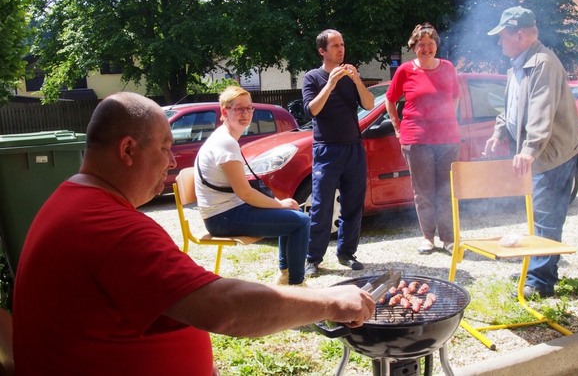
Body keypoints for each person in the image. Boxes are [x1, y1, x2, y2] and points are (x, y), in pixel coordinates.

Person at [12, 92, 376, 375]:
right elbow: (225, 308)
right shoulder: (111, 228)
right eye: (166, 148)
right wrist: (330, 301)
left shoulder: (72, 198)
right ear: (127, 150)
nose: (172, 162)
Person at [483, 6, 578, 299]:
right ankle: (540, 269)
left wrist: (529, 149)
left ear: (521, 34)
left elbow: (541, 111)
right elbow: (511, 107)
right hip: (540, 155)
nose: (499, 42)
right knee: (537, 214)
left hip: (552, 155)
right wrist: (499, 131)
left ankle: (541, 282)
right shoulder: (518, 65)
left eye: (503, 36)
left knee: (546, 217)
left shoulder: (542, 63)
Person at [195, 86, 309, 286]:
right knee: (301, 222)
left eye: (249, 108)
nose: (246, 114)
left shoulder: (225, 138)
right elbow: (245, 193)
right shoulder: (226, 144)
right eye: (239, 109)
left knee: (293, 217)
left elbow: (246, 190)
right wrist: (280, 205)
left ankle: (286, 277)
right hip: (223, 218)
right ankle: (296, 285)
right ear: (224, 112)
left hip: (225, 213)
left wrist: (278, 202)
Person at [301, 29, 375, 277]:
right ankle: (313, 258)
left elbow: (368, 104)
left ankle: (347, 253)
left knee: (353, 204)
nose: (341, 49)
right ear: (322, 51)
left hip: (354, 148)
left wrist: (356, 80)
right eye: (335, 46)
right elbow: (312, 110)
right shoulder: (312, 78)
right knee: (321, 206)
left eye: (342, 44)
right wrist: (331, 82)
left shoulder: (351, 77)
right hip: (326, 149)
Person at [384, 23, 460, 255]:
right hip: (416, 139)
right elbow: (390, 100)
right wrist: (397, 128)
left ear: (436, 45)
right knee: (423, 190)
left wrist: (448, 120)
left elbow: (455, 97)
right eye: (421, 44)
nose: (426, 48)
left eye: (430, 44)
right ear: (414, 47)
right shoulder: (405, 70)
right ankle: (428, 237)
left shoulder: (448, 68)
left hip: (447, 139)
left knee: (446, 190)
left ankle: (448, 238)